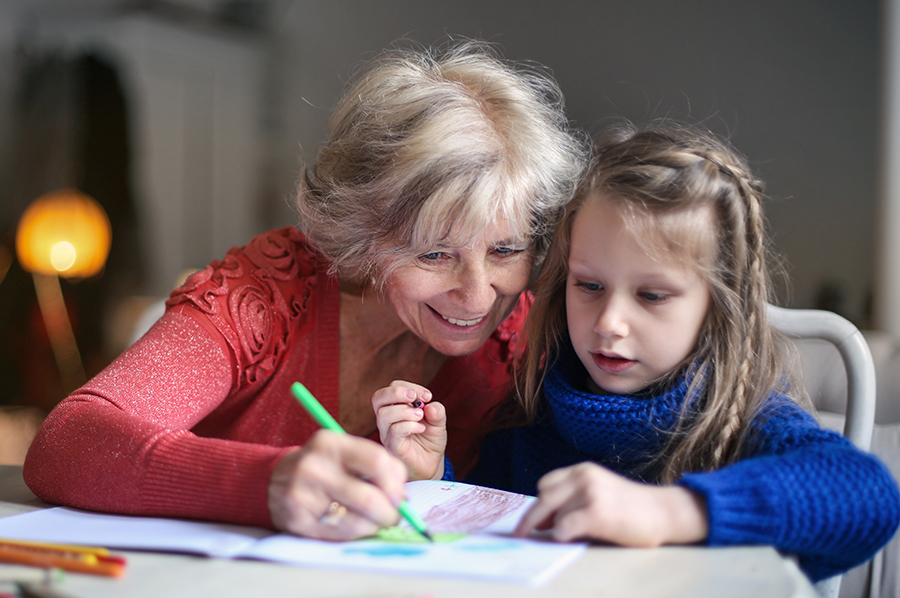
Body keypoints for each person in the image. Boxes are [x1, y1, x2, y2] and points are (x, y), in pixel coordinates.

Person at [22, 39, 589, 541]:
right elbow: (67, 445)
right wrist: (265, 484)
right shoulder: (269, 292)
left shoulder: (520, 339)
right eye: (435, 253)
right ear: (366, 234)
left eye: (506, 250)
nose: (477, 296)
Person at [373, 121, 900, 581]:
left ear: (718, 306)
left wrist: (669, 514)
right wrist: (435, 481)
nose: (609, 323)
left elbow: (868, 495)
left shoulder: (740, 422)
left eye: (651, 295)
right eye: (589, 286)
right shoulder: (532, 414)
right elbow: (489, 549)